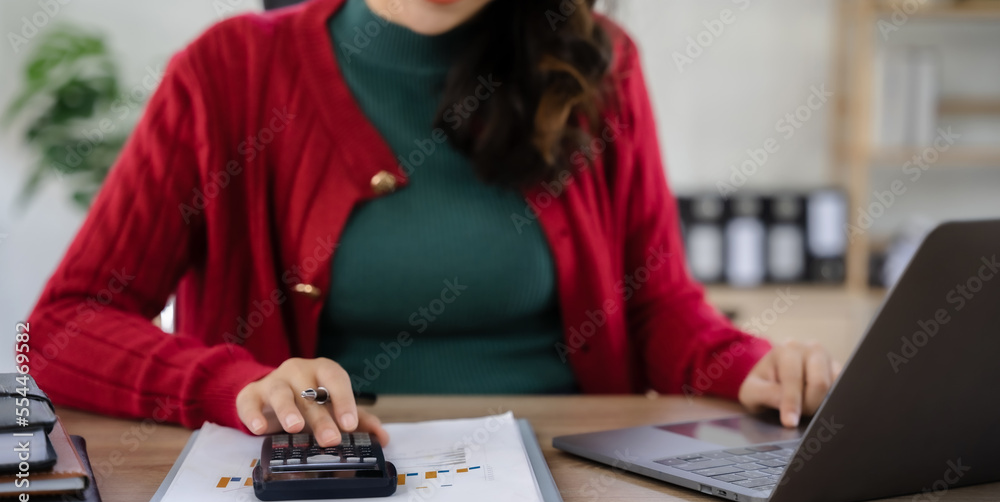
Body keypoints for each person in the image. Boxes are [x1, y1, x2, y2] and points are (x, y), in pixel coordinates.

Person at [25, 0, 839, 449]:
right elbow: (62, 327)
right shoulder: (227, 71)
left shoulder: (598, 62)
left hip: (579, 494)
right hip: (322, 495)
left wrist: (750, 365)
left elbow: (655, 304)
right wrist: (233, 386)